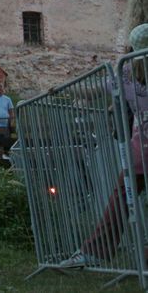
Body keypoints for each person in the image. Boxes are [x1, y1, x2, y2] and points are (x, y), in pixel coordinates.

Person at [60, 24, 148, 268]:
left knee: (120, 199)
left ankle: (95, 251)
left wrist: (64, 88)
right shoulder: (125, 73)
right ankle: (95, 251)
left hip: (140, 154)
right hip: (140, 155)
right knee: (121, 197)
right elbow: (94, 91)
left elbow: (92, 91)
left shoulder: (126, 72)